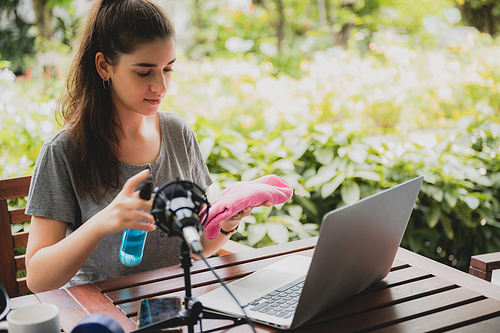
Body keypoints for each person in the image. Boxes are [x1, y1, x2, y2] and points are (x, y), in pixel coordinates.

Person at [25, 0, 270, 294]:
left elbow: (198, 247)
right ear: (104, 66)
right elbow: (38, 279)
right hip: (103, 314)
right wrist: (105, 220)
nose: (161, 86)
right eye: (144, 72)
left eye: (168, 69)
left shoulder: (177, 132)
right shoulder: (64, 151)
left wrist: (228, 220)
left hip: (176, 304)